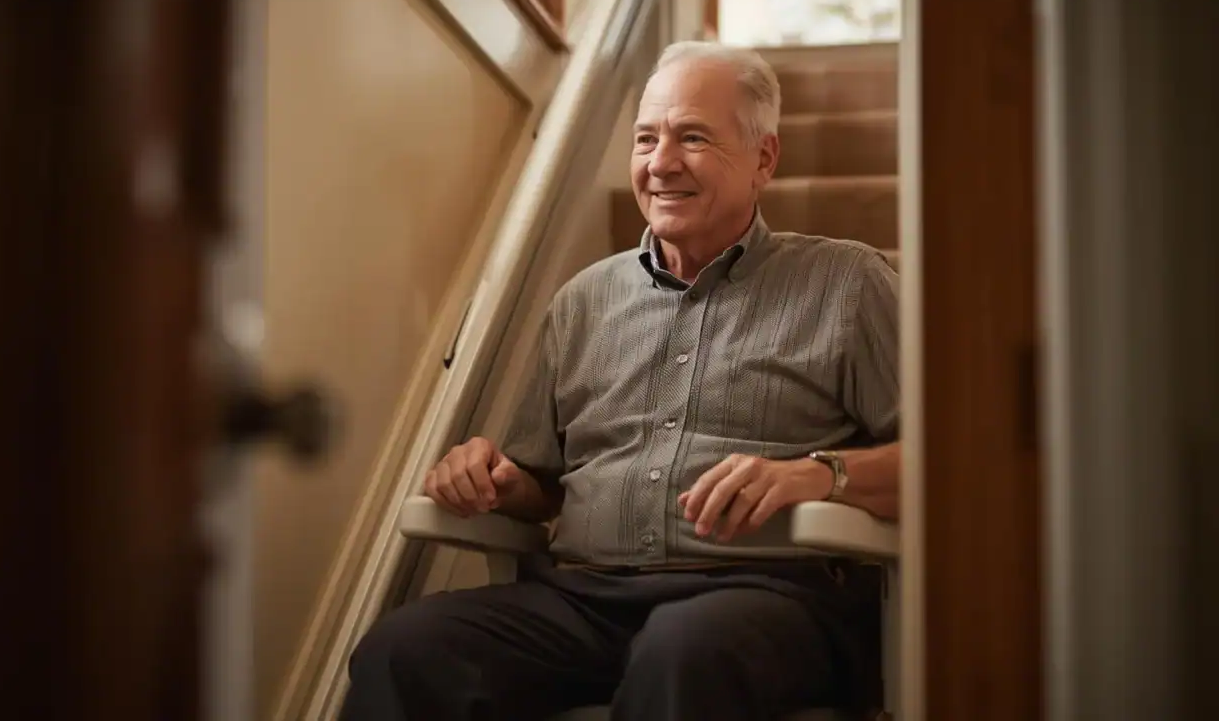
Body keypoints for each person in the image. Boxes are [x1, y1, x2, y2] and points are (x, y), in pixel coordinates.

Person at [340, 41, 900, 721]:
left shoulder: (848, 283)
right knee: (404, 647)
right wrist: (491, 476)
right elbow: (539, 482)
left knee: (683, 648)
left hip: (769, 596)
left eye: (693, 137)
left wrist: (819, 474)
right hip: (582, 599)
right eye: (646, 138)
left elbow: (946, 467)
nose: (661, 163)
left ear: (764, 158)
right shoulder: (583, 301)